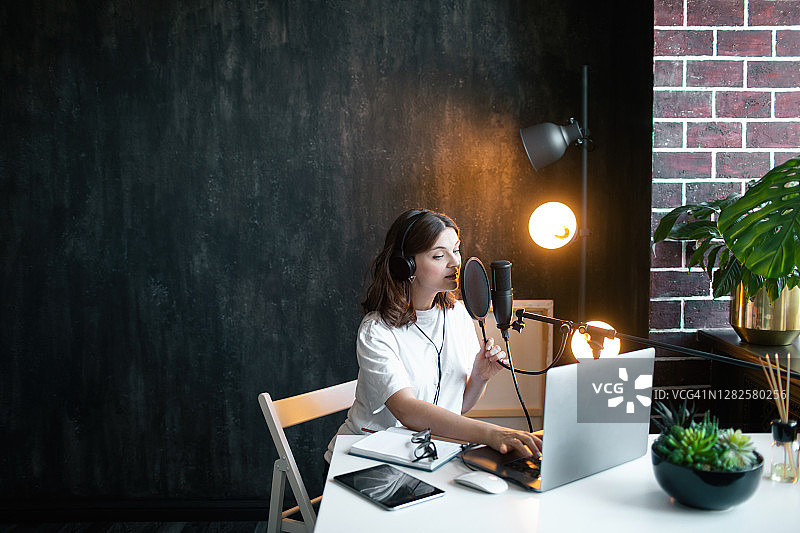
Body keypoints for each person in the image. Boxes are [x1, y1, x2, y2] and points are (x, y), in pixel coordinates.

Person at [326, 209, 542, 462]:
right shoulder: (377, 331)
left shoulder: (457, 314)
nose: (455, 262)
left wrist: (480, 377)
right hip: (366, 458)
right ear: (406, 266)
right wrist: (491, 432)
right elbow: (408, 410)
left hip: (422, 457)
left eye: (457, 249)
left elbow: (453, 408)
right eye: (439, 255)